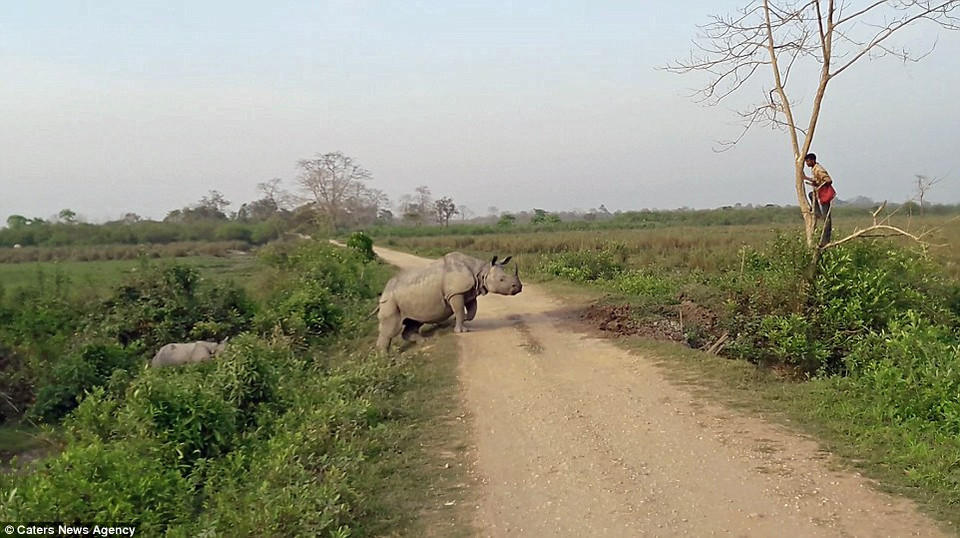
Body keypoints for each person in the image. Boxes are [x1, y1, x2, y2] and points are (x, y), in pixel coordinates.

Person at [803, 152, 835, 245]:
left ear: (813, 160)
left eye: (808, 161)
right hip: (820, 193)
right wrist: (806, 178)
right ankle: (817, 213)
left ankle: (826, 240)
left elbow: (828, 180)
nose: (807, 163)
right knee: (811, 195)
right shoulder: (814, 169)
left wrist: (820, 185)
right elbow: (816, 180)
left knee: (826, 218)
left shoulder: (818, 169)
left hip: (824, 194)